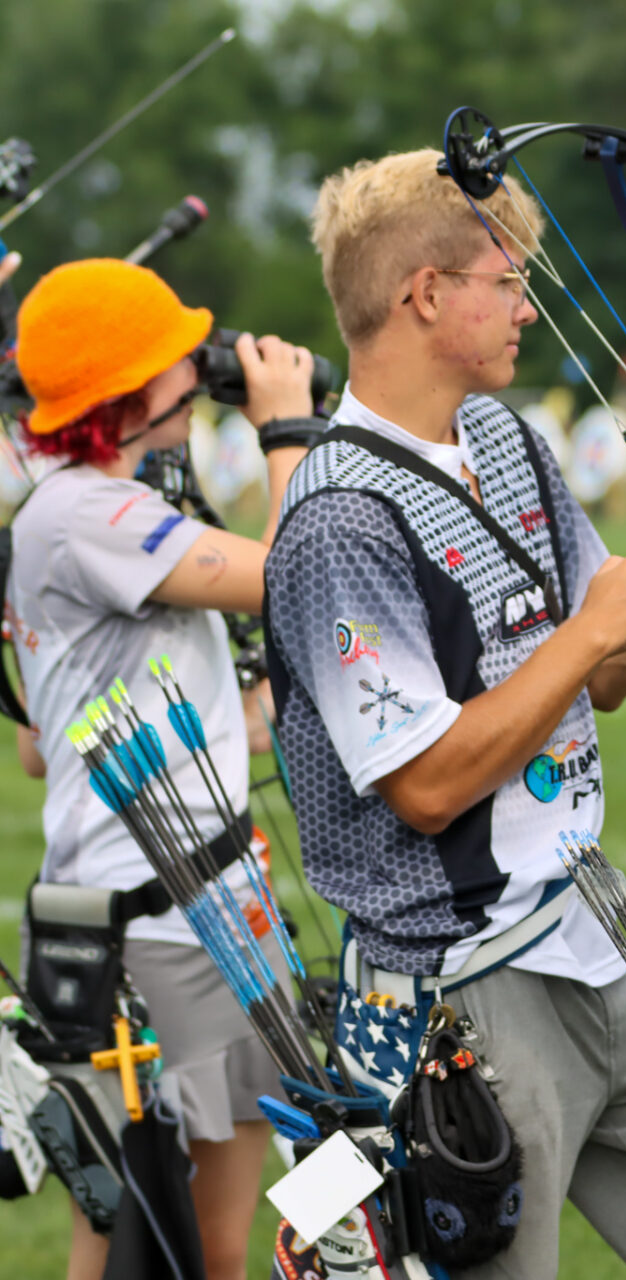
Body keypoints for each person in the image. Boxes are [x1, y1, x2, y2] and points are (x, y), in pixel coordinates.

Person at [263, 149, 626, 1279]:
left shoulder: (507, 437)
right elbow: (430, 781)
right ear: (425, 294)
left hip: (597, 938)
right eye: (505, 278)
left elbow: (603, 675)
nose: (528, 303)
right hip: (461, 997)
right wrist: (598, 625)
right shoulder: (336, 517)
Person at [6, 256, 322, 1280]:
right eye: (180, 361)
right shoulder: (86, 512)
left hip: (205, 904)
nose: (201, 371)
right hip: (161, 930)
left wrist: (252, 713)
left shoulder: (86, 510)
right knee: (159, 1238)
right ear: (131, 390)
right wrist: (285, 425)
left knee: (191, 1238)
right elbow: (292, 570)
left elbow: (39, 741)